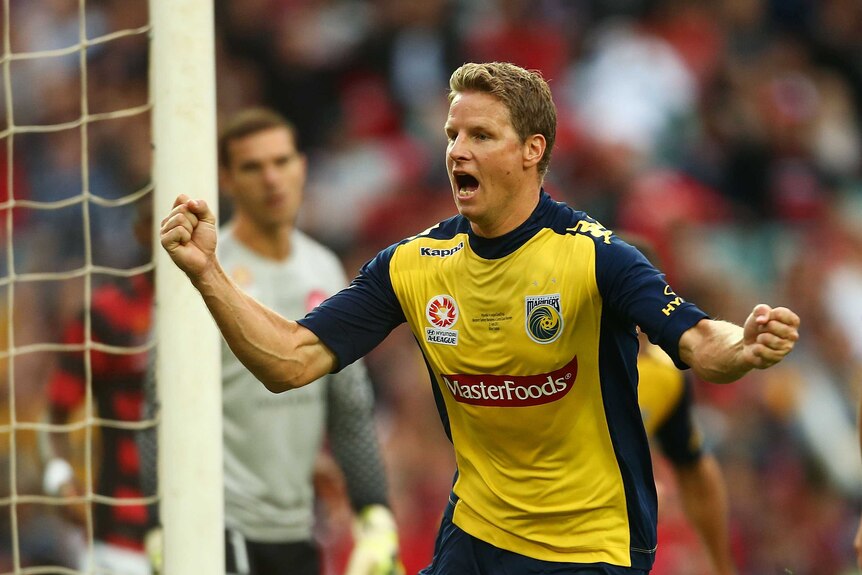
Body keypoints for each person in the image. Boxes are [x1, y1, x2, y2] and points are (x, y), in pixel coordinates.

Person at [159, 62, 800, 574]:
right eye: (452, 136)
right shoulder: (412, 264)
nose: (457, 151)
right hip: (478, 534)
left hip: (588, 549)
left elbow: (695, 338)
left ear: (532, 151)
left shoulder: (595, 256)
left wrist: (743, 346)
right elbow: (289, 361)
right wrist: (207, 272)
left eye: (481, 136)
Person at [141, 107, 403, 575]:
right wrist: (159, 525)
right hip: (220, 526)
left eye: (281, 161)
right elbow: (159, 408)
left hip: (297, 528)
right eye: (252, 166)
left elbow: (348, 403)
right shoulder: (201, 269)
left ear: (302, 165)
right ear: (227, 178)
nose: (272, 179)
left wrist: (373, 512)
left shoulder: (322, 268)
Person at [42, 199, 155, 575]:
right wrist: (61, 481)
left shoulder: (233, 309)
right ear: (141, 229)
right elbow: (55, 413)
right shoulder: (107, 314)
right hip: (121, 537)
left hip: (219, 521)